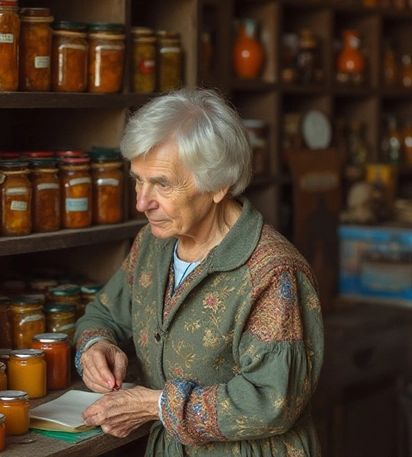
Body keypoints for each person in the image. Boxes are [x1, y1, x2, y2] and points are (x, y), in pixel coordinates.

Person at [75, 88, 324, 456]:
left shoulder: (273, 273)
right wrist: (97, 347)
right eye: (137, 179)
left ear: (218, 184)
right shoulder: (152, 244)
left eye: (162, 183)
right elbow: (103, 313)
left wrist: (155, 405)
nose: (142, 202)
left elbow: (272, 401)